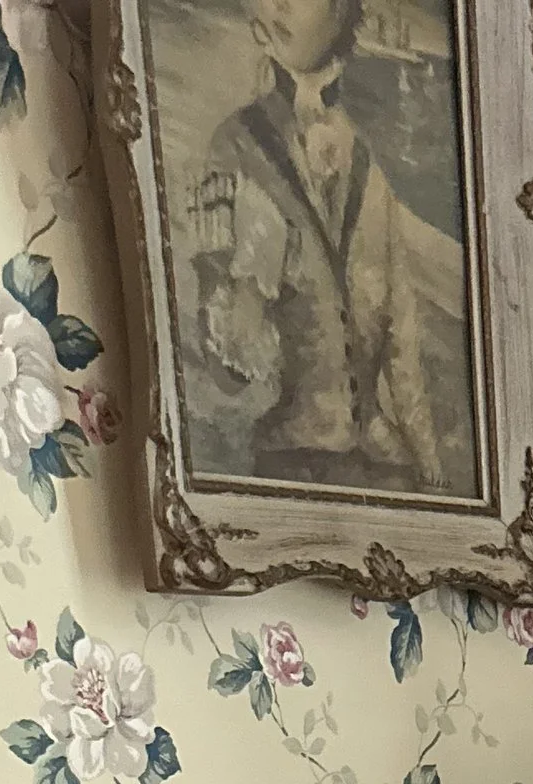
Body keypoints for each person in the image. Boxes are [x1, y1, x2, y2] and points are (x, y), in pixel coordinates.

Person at [185, 0, 477, 498]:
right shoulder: (235, 146)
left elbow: (400, 325)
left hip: (383, 464)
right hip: (292, 461)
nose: (274, 4)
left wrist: (426, 455)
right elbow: (227, 376)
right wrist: (248, 279)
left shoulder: (367, 160)